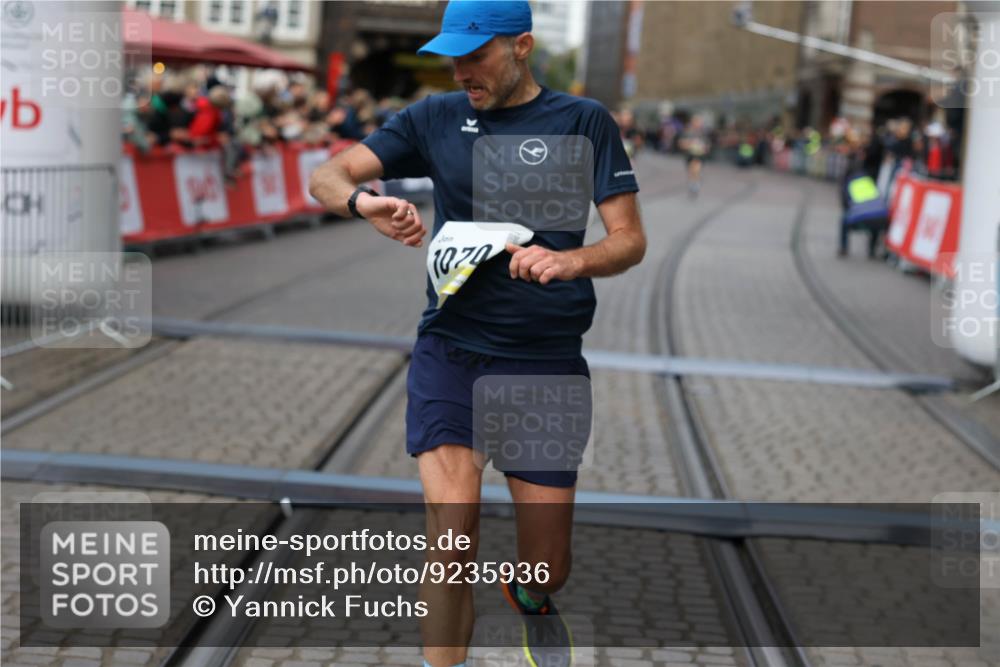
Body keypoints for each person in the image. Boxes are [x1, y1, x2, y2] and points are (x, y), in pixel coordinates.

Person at [309, 2, 645, 666]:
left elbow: (630, 240)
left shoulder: (584, 122)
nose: (462, 71)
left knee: (548, 564)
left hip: (543, 361)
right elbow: (327, 174)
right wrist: (364, 203)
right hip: (452, 349)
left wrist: (571, 261)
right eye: (453, 58)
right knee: (450, 540)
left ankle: (529, 595)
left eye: (476, 55)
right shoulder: (434, 117)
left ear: (522, 46)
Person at [678, 115, 710, 197]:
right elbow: (681, 144)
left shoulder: (703, 134)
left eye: (699, 122)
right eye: (696, 122)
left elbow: (707, 146)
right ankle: (693, 182)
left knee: (696, 168)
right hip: (689, 155)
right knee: (691, 171)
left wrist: (703, 148)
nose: (698, 124)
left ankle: (695, 184)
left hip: (699, 155)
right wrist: (690, 144)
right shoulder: (687, 132)